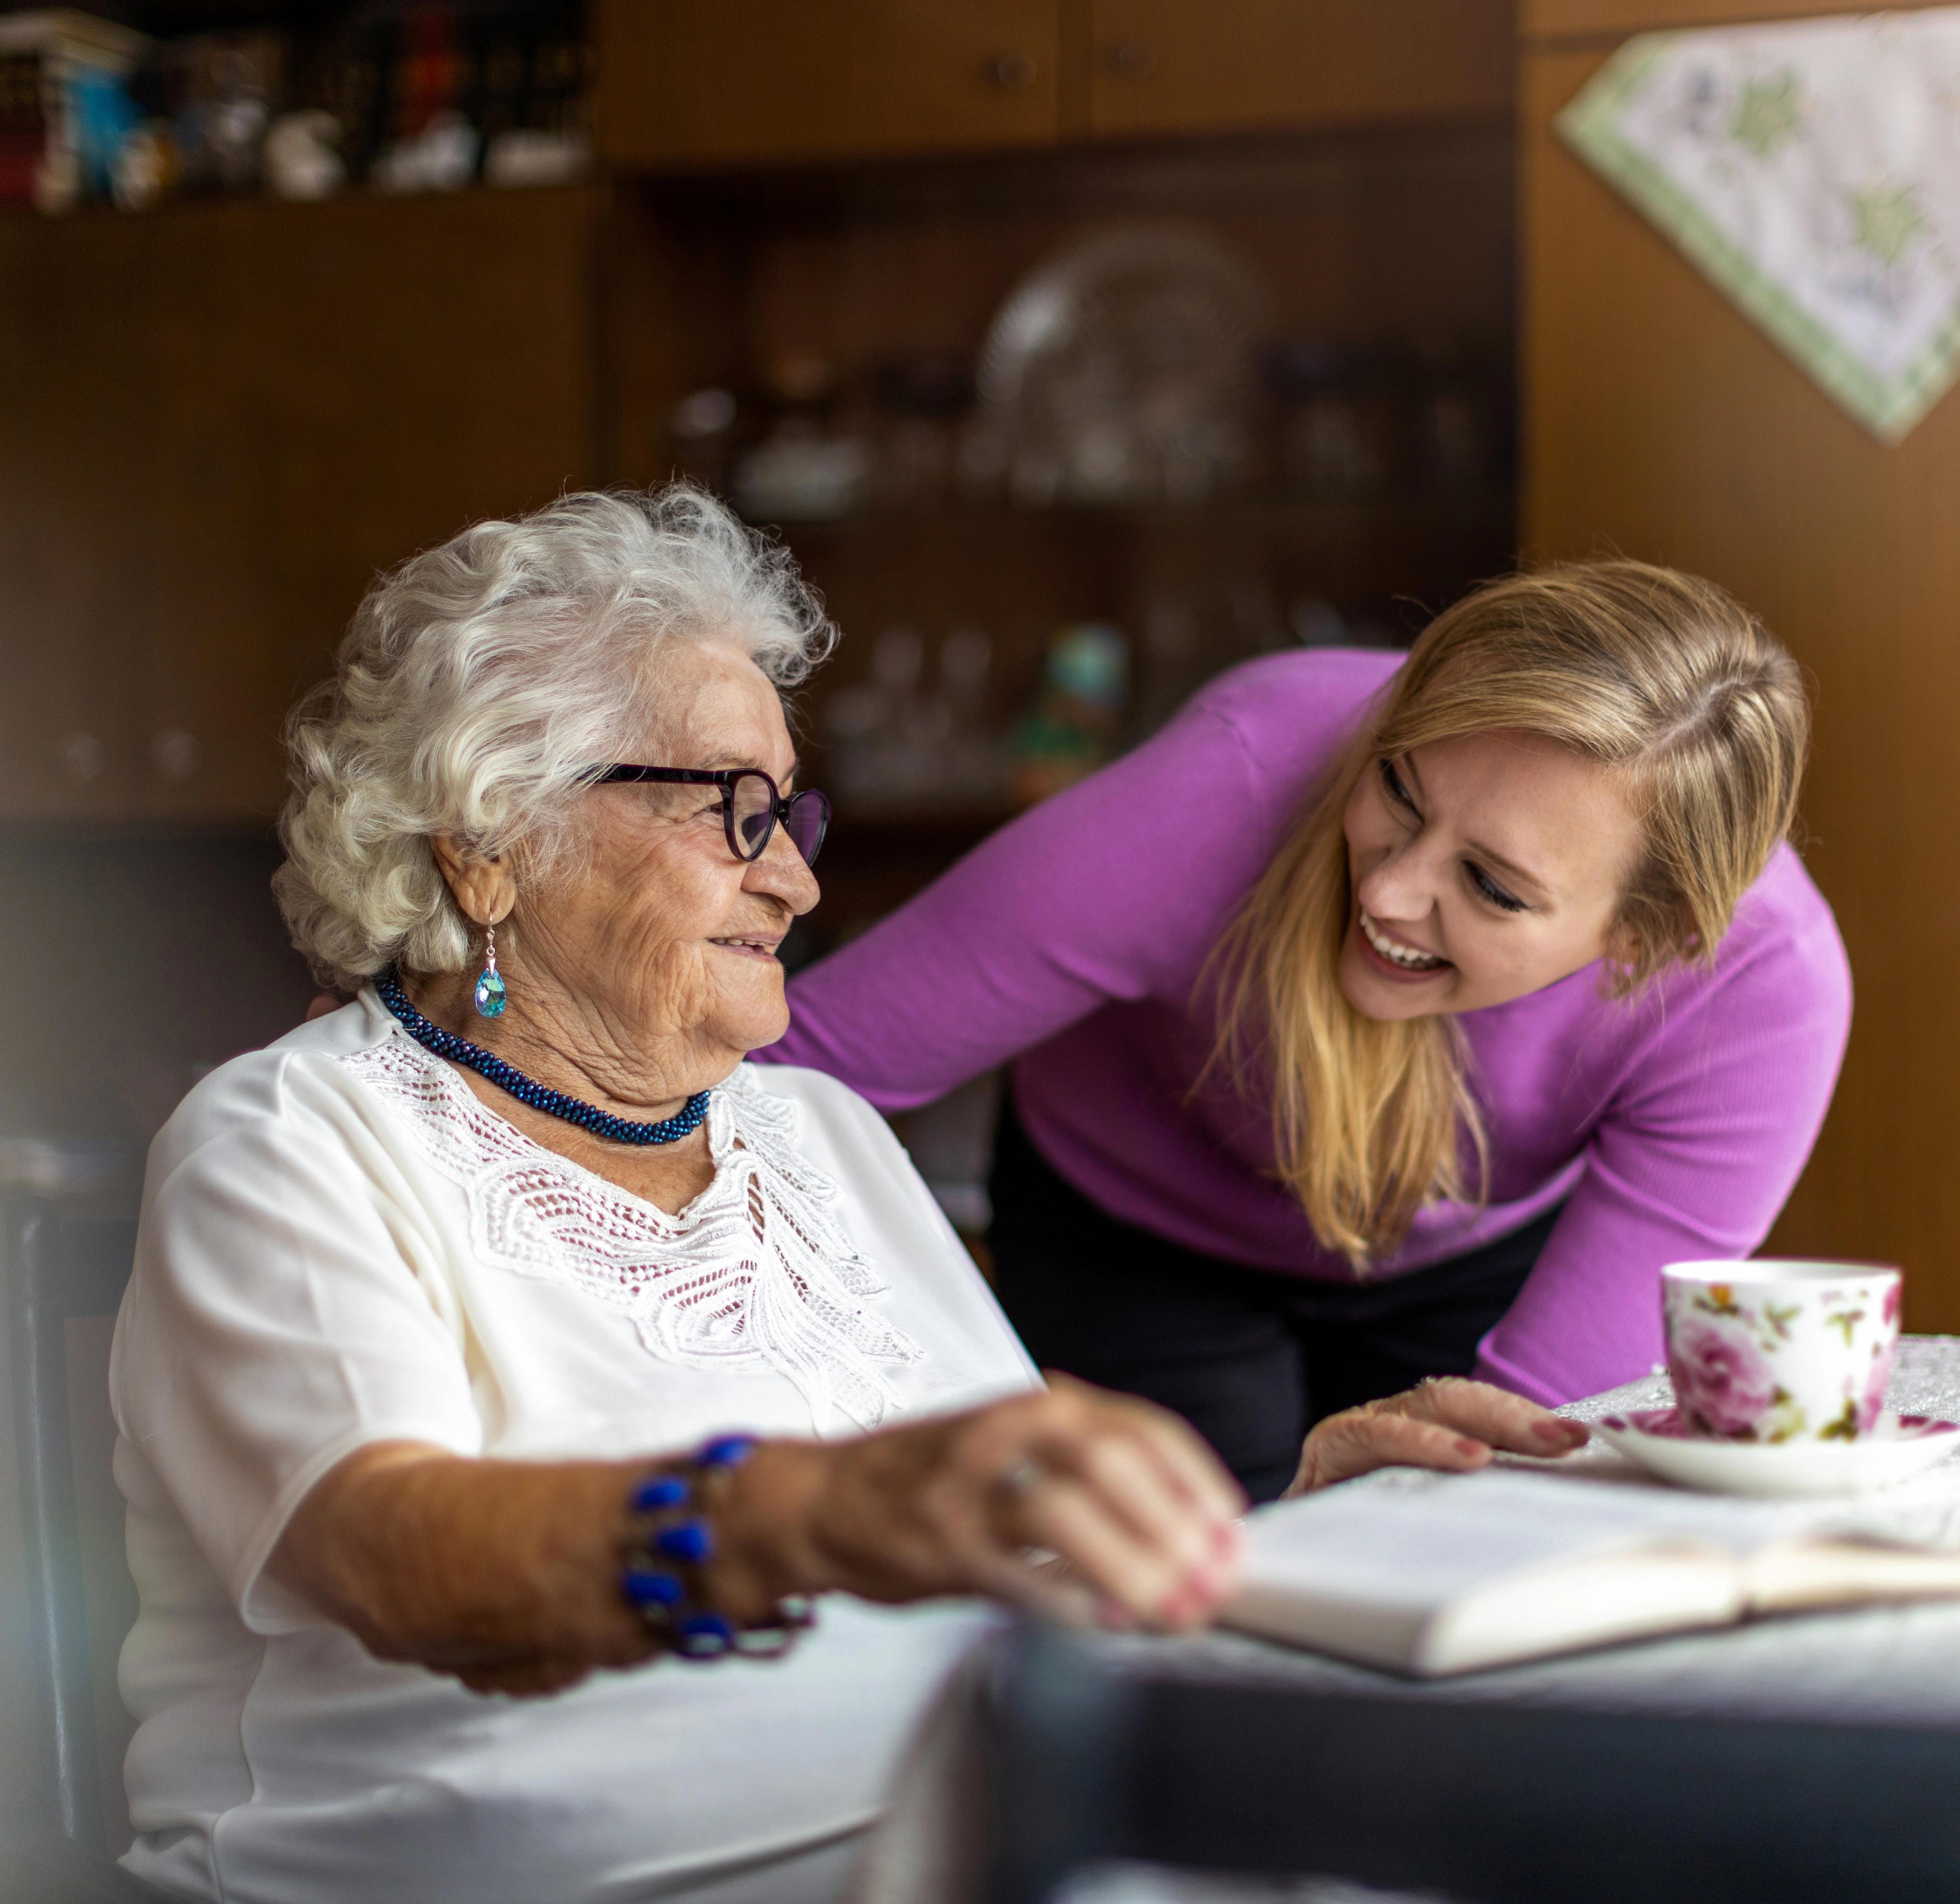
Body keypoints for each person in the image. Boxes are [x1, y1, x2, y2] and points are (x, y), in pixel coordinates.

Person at [111, 488, 1582, 1904]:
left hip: (971, 1845)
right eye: (730, 815)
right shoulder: (294, 1138)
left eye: (788, 820)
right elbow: (398, 1555)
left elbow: (998, 1540)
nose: (798, 890)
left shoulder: (814, 1134)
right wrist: (811, 1512)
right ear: (491, 850)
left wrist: (1281, 1525)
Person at [767, 562, 1852, 1501]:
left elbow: (1533, 1457)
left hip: (1470, 1250)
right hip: (1137, 1222)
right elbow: (784, 1068)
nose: (1388, 891)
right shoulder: (1230, 781)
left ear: (1647, 938)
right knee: (1172, 1604)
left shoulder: (1762, 990)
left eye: (1489, 885)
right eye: (1398, 786)